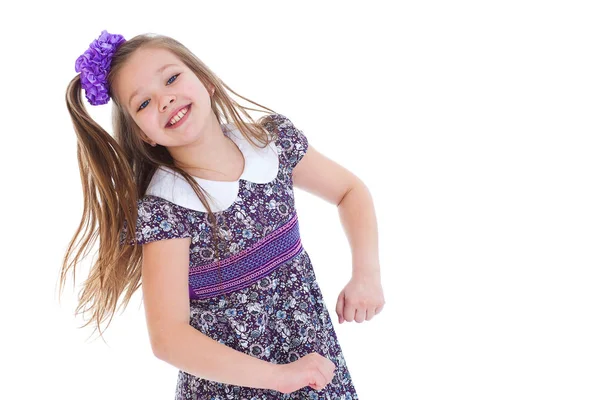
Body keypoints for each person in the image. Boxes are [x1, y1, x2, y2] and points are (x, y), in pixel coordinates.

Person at [59, 29, 385, 399]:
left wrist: (366, 275)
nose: (164, 99)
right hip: (231, 390)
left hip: (315, 368)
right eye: (143, 104)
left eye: (171, 78)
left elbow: (350, 191)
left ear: (207, 82)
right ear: (142, 135)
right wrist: (278, 377)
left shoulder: (270, 147)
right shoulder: (168, 210)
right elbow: (169, 337)